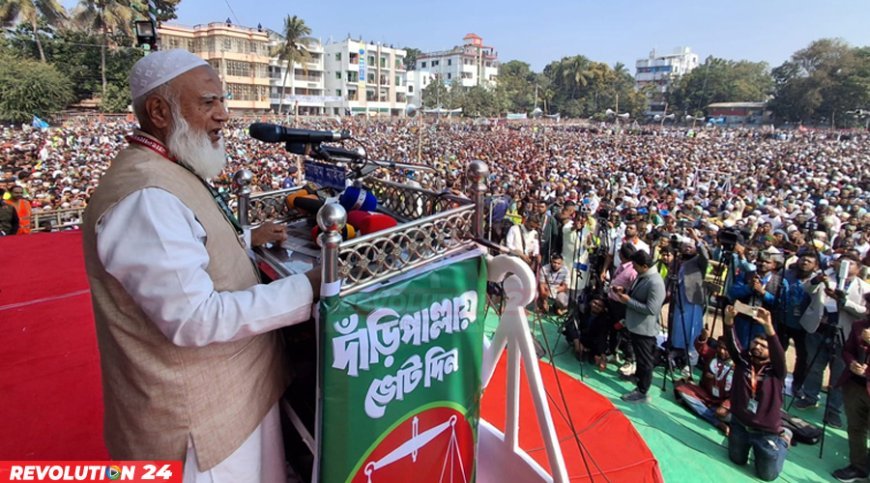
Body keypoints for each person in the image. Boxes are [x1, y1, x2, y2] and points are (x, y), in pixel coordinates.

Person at [80, 50, 320, 482]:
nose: (224, 115)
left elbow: (182, 254)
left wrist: (245, 240)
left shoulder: (166, 166)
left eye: (222, 101)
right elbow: (194, 319)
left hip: (231, 404)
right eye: (208, 102)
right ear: (158, 111)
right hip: (197, 432)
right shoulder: (146, 197)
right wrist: (309, 287)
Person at [723, 305, 791, 482]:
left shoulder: (777, 370)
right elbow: (732, 344)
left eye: (763, 345)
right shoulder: (743, 360)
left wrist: (769, 327)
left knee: (767, 476)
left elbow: (779, 355)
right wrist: (729, 320)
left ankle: (784, 440)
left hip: (766, 431)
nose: (758, 346)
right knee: (736, 460)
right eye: (755, 342)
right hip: (740, 423)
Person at [613, 250, 665, 403]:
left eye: (635, 266)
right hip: (635, 326)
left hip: (645, 329)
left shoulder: (655, 282)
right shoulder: (643, 276)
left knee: (645, 361)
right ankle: (638, 378)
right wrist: (624, 293)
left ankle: (642, 390)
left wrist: (628, 301)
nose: (633, 268)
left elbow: (651, 309)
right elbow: (637, 295)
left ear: (644, 266)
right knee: (639, 357)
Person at [832, 316, 870, 482]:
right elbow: (847, 350)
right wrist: (852, 362)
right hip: (854, 385)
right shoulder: (858, 325)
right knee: (855, 428)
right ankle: (858, 466)